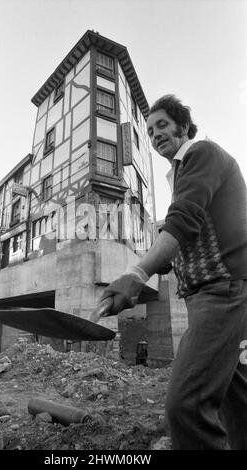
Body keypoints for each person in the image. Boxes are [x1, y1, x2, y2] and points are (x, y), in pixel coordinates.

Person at [95, 95, 247, 450]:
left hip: (222, 292)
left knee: (185, 405)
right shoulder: (181, 174)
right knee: (234, 397)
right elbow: (188, 234)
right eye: (149, 131)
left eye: (162, 125)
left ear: (182, 126)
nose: (155, 135)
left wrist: (136, 274)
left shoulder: (201, 154)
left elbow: (183, 222)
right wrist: (159, 261)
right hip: (216, 294)